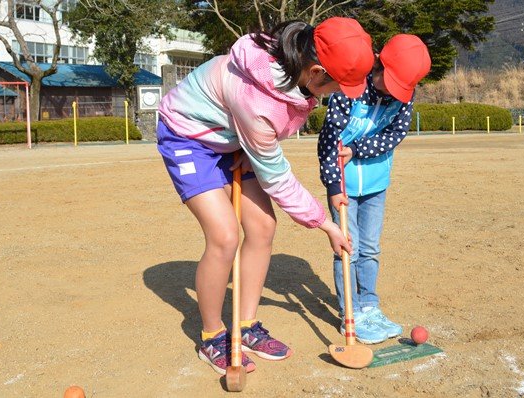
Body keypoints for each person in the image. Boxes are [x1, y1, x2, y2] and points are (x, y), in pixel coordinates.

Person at [156, 17, 374, 375]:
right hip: (189, 137)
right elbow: (276, 176)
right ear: (316, 72)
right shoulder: (258, 102)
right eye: (338, 85)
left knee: (262, 228)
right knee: (225, 237)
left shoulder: (294, 70)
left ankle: (246, 325)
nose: (339, 92)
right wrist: (325, 225)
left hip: (233, 137)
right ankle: (212, 334)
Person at [317, 34, 431, 344]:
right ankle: (350, 314)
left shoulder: (405, 95)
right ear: (378, 62)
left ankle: (369, 305)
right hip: (345, 184)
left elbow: (395, 135)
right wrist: (333, 184)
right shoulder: (349, 89)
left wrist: (358, 150)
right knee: (347, 249)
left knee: (370, 248)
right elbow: (329, 140)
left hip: (377, 182)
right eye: (388, 81)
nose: (392, 92)